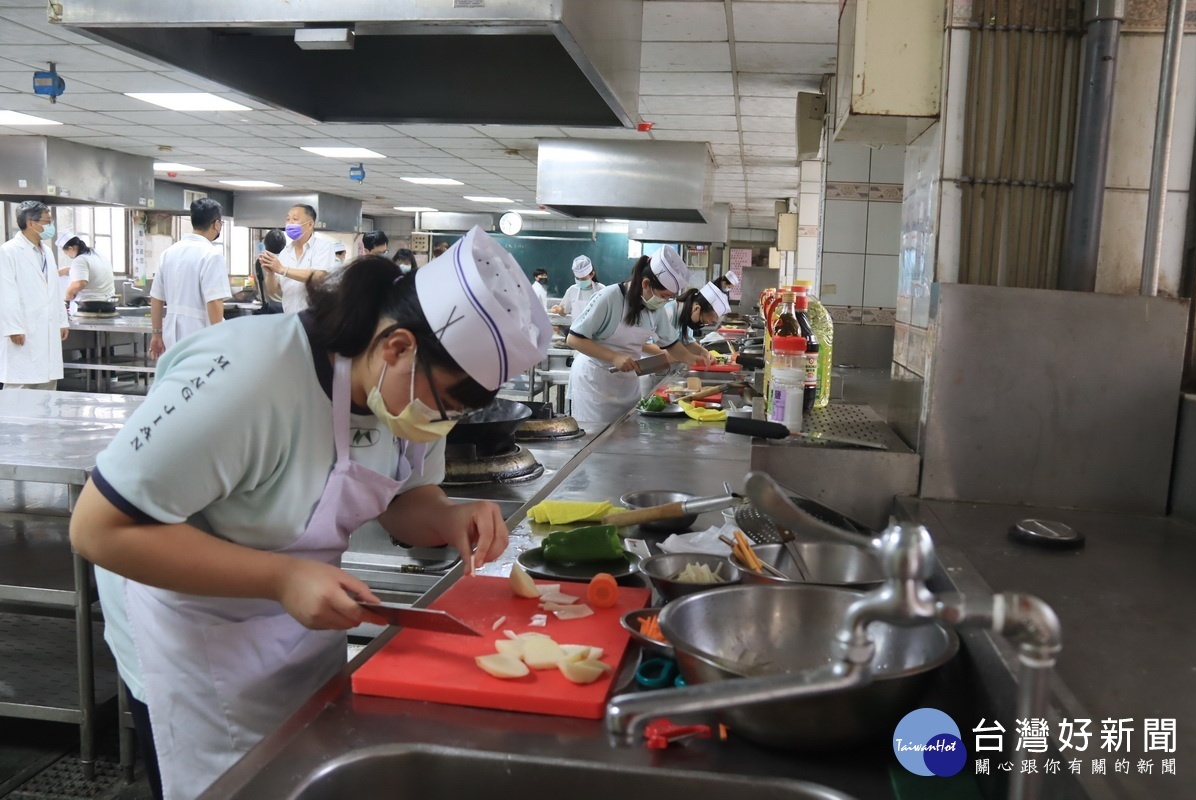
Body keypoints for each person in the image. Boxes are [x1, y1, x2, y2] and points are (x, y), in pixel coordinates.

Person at [69, 225, 551, 800]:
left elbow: (404, 499)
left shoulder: (403, 390)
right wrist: (282, 577)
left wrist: (448, 517)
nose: (441, 424)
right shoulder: (250, 377)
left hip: (301, 620)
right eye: (446, 405)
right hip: (193, 634)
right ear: (397, 346)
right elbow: (100, 528)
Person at [565, 246, 705, 425]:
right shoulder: (610, 297)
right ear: (646, 284)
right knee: (595, 442)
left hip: (626, 383)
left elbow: (672, 344)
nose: (665, 301)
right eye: (664, 295)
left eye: (669, 297)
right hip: (595, 382)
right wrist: (614, 357)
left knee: (626, 436)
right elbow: (574, 339)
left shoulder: (656, 308)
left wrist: (692, 359)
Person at [148, 198, 232, 360]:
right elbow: (214, 301)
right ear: (216, 224)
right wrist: (219, 338)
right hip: (202, 336)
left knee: (180, 380)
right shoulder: (211, 255)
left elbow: (156, 298)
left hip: (172, 336)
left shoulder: (169, 253)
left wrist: (157, 334)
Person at [0, 201, 69, 389]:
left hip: (47, 327)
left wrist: (62, 321)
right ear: (31, 223)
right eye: (47, 222)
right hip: (24, 329)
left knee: (47, 385)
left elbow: (54, 290)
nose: (50, 226)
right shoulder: (9, 251)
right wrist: (13, 327)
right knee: (20, 386)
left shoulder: (47, 252)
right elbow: (6, 293)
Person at [258, 204, 338, 314]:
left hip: (317, 319)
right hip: (291, 318)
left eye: (295, 219)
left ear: (310, 224)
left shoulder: (323, 247)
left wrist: (282, 269)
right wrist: (271, 273)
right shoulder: (285, 253)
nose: (290, 223)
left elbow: (319, 277)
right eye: (288, 219)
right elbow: (272, 290)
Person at [666, 281, 730, 363]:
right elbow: (648, 345)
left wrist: (704, 352)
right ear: (696, 309)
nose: (701, 325)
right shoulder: (668, 312)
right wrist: (682, 356)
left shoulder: (686, 314)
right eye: (703, 321)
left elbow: (688, 342)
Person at [58, 232, 116, 308]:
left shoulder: (80, 260)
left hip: (89, 306)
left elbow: (79, 284)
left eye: (66, 253)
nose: (68, 256)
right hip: (108, 304)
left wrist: (67, 296)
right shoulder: (96, 253)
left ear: (70, 248)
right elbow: (89, 270)